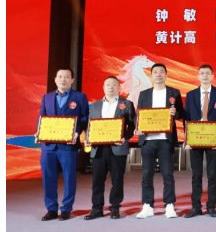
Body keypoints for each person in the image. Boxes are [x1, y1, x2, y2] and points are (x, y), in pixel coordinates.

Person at [37, 68, 89, 221]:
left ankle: (66, 209)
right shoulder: (46, 97)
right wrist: (38, 131)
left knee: (69, 177)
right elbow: (42, 117)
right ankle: (51, 209)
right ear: (55, 79)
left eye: (67, 77)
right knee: (48, 178)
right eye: (60, 76)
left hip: (69, 145)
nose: (63, 79)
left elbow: (84, 118)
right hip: (49, 145)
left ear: (72, 80)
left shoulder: (80, 97)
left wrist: (77, 132)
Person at [134, 63, 184, 219]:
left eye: (161, 72)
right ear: (151, 75)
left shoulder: (174, 92)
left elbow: (181, 114)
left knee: (168, 174)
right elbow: (139, 114)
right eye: (155, 72)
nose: (158, 74)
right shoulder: (144, 94)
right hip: (148, 140)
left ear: (166, 75)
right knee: (147, 174)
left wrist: (175, 113)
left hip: (165, 139)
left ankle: (169, 205)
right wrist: (138, 127)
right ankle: (147, 205)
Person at [84, 76, 135, 220]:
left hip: (117, 148)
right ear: (103, 87)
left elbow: (132, 125)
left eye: (114, 84)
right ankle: (97, 208)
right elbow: (90, 124)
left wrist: (125, 137)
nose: (111, 87)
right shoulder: (94, 105)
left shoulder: (127, 104)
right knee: (97, 180)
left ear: (119, 87)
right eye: (108, 84)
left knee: (117, 179)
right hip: (98, 148)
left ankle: (115, 207)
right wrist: (87, 139)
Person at [183, 65, 216, 218]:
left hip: (212, 139)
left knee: (212, 175)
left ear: (212, 76)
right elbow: (186, 118)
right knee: (196, 175)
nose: (205, 76)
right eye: (202, 73)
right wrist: (187, 139)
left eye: (208, 73)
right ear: (198, 76)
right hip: (195, 139)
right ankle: (196, 207)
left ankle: (211, 206)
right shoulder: (191, 95)